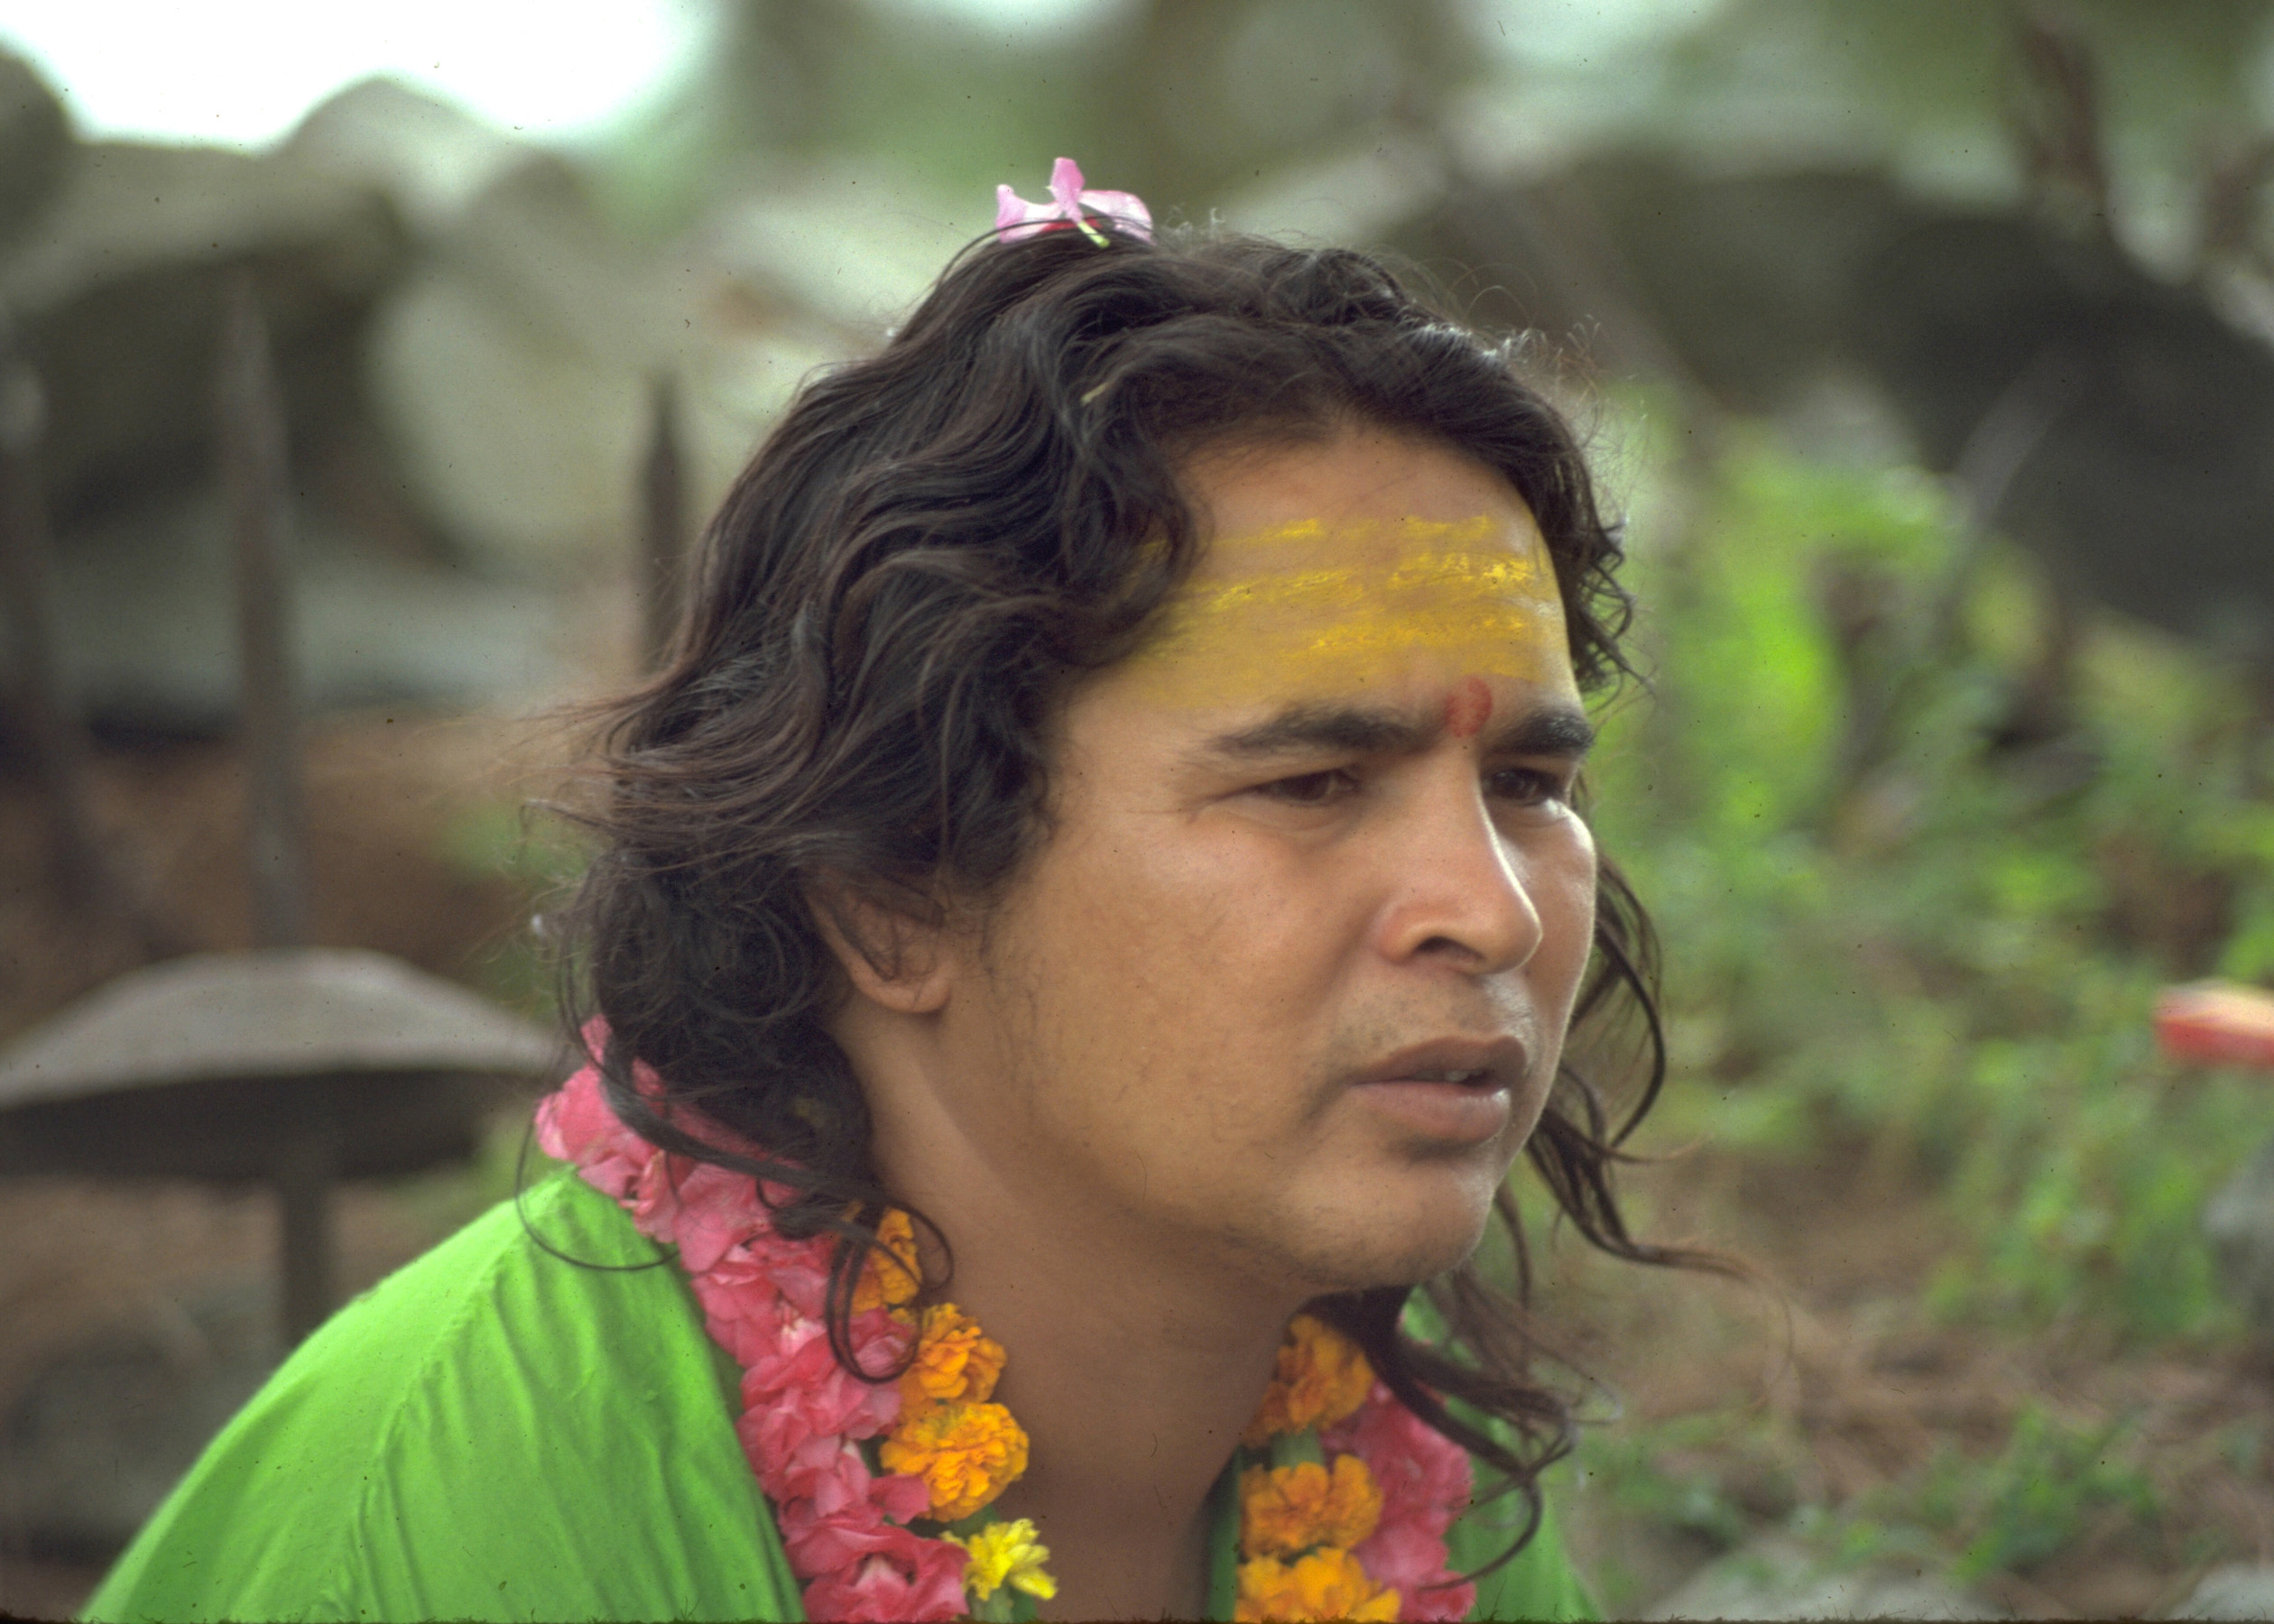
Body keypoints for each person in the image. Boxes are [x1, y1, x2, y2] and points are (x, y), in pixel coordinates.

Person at [88, 161, 1694, 1623]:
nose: (1493, 913)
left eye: (1528, 786)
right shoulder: (477, 1500)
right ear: (890, 893)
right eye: (1313, 784)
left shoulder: (1407, 1480)